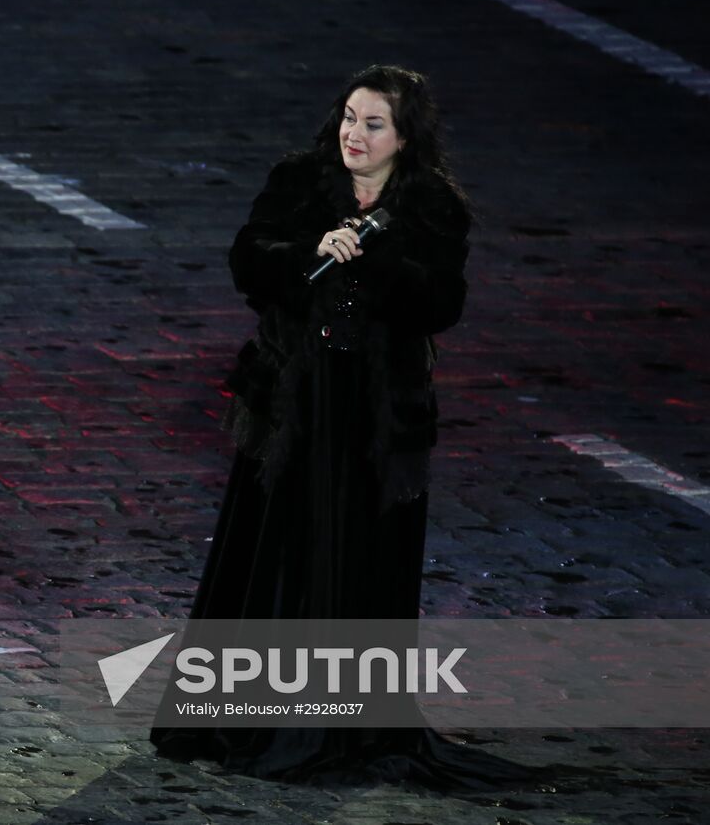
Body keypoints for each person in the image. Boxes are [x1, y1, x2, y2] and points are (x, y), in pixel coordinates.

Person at [149, 65, 531, 788]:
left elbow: (442, 302)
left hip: (377, 415)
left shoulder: (432, 205)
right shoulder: (301, 180)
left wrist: (382, 255)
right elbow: (248, 259)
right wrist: (309, 252)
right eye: (350, 118)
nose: (355, 134)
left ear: (406, 135)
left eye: (374, 123)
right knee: (278, 546)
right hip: (296, 404)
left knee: (361, 554)